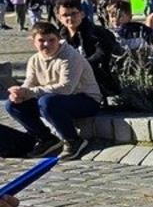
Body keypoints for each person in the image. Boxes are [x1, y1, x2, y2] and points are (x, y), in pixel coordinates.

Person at [5, 21, 103, 159]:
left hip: (86, 100)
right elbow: (30, 83)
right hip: (54, 100)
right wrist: (20, 92)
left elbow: (66, 88)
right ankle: (46, 139)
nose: (46, 44)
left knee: (47, 101)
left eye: (51, 40)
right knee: (12, 104)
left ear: (58, 39)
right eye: (41, 41)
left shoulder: (70, 56)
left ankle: (73, 140)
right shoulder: (34, 59)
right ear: (33, 42)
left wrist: (30, 92)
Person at [54, 0, 122, 100]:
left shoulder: (96, 32)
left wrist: (81, 64)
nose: (70, 18)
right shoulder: (58, 37)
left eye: (74, 14)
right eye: (65, 15)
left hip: (98, 78)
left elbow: (103, 53)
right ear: (59, 18)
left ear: (82, 14)